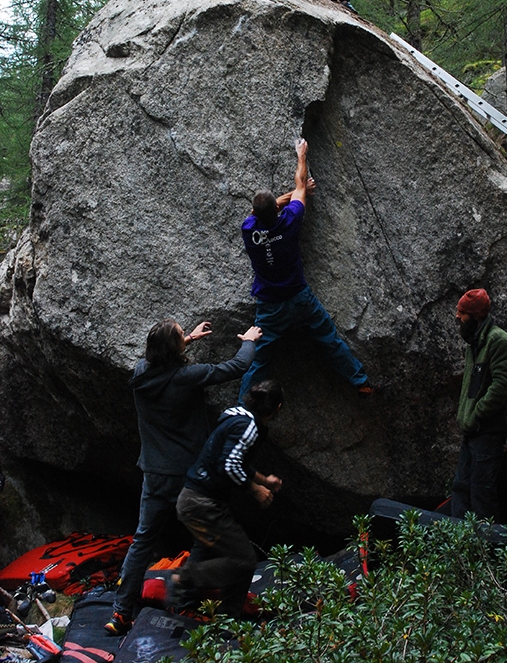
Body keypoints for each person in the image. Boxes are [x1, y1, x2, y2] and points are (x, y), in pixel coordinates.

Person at [105, 317, 262, 635]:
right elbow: (235, 367)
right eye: (180, 335)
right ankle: (185, 599)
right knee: (203, 535)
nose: (184, 335)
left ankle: (121, 612)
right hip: (190, 477)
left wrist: (187, 338)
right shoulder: (187, 376)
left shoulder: (140, 374)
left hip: (155, 473)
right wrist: (249, 340)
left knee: (143, 540)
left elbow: (159, 357)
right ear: (173, 351)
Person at [238, 137, 374, 400]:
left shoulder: (249, 229)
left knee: (259, 359)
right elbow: (300, 185)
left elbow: (269, 205)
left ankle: (241, 406)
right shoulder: (289, 221)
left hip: (270, 305)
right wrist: (302, 156)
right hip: (299, 296)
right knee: (328, 339)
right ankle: (360, 381)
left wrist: (292, 194)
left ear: (255, 212)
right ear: (277, 211)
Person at [174, 380, 284, 617]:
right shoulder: (249, 426)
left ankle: (184, 605)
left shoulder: (236, 417)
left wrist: (265, 480)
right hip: (203, 503)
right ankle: (220, 615)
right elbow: (229, 464)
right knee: (243, 561)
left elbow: (233, 458)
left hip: (191, 498)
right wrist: (255, 490)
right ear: (278, 408)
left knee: (204, 548)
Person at [450, 289, 507, 522]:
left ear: (476, 316)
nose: (457, 318)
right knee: (461, 487)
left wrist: (477, 414)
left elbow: (502, 385)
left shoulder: (498, 341)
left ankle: (487, 551)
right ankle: (460, 546)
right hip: (472, 431)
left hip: (488, 431)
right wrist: (467, 419)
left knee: (482, 492)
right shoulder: (474, 343)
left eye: (462, 313)